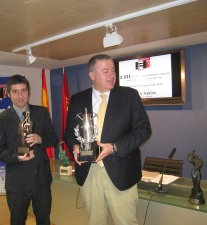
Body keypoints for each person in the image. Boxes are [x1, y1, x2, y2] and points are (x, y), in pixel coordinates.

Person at [64, 54, 152, 225]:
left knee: (126, 222)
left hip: (121, 170)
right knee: (95, 221)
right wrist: (75, 147)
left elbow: (143, 130)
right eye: (105, 71)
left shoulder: (129, 96)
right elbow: (69, 131)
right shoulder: (78, 99)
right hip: (89, 172)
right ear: (92, 75)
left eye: (113, 70)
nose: (112, 75)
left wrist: (114, 147)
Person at [0, 74, 58, 225]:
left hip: (41, 180)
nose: (20, 96)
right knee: (17, 221)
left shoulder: (41, 112)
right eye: (15, 91)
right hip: (17, 182)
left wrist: (40, 139)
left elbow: (53, 139)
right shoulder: (2, 119)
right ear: (8, 93)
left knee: (44, 220)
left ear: (29, 91)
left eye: (23, 90)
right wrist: (17, 156)